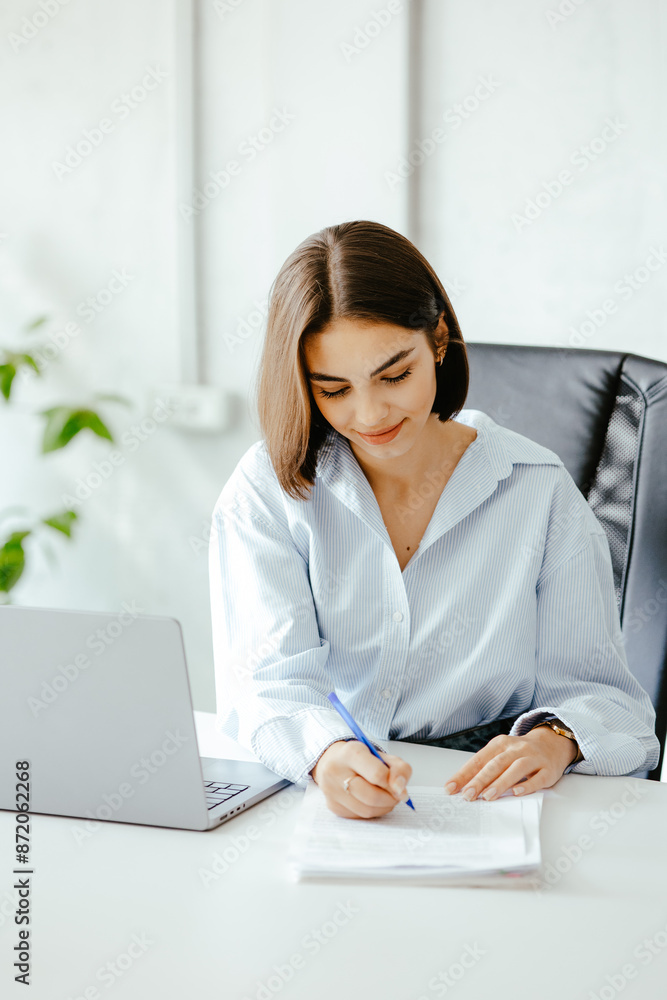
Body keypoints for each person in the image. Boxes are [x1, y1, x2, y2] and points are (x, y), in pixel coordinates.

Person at [209, 219, 660, 820]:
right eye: (333, 389)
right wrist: (326, 754)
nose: (369, 414)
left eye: (394, 376)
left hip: (491, 799)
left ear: (439, 340)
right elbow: (263, 684)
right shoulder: (268, 490)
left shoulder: (537, 490)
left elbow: (611, 702)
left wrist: (555, 740)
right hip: (320, 792)